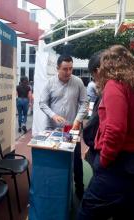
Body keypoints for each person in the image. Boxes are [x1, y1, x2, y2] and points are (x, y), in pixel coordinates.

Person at [77, 45, 134, 220]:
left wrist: (104, 159)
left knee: (87, 213)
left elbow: (115, 129)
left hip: (115, 165)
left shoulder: (115, 86)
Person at [39, 54, 88, 199]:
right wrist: (53, 115)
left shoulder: (78, 82)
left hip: (72, 129)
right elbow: (42, 103)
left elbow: (84, 103)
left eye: (71, 69)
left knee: (76, 160)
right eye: (65, 69)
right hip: (53, 129)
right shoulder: (50, 83)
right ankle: (55, 189)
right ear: (57, 69)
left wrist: (78, 120)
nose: (68, 72)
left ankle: (79, 189)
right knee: (55, 159)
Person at [83, 51, 102, 169]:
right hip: (96, 148)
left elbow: (114, 130)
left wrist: (104, 158)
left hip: (101, 152)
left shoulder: (112, 90)